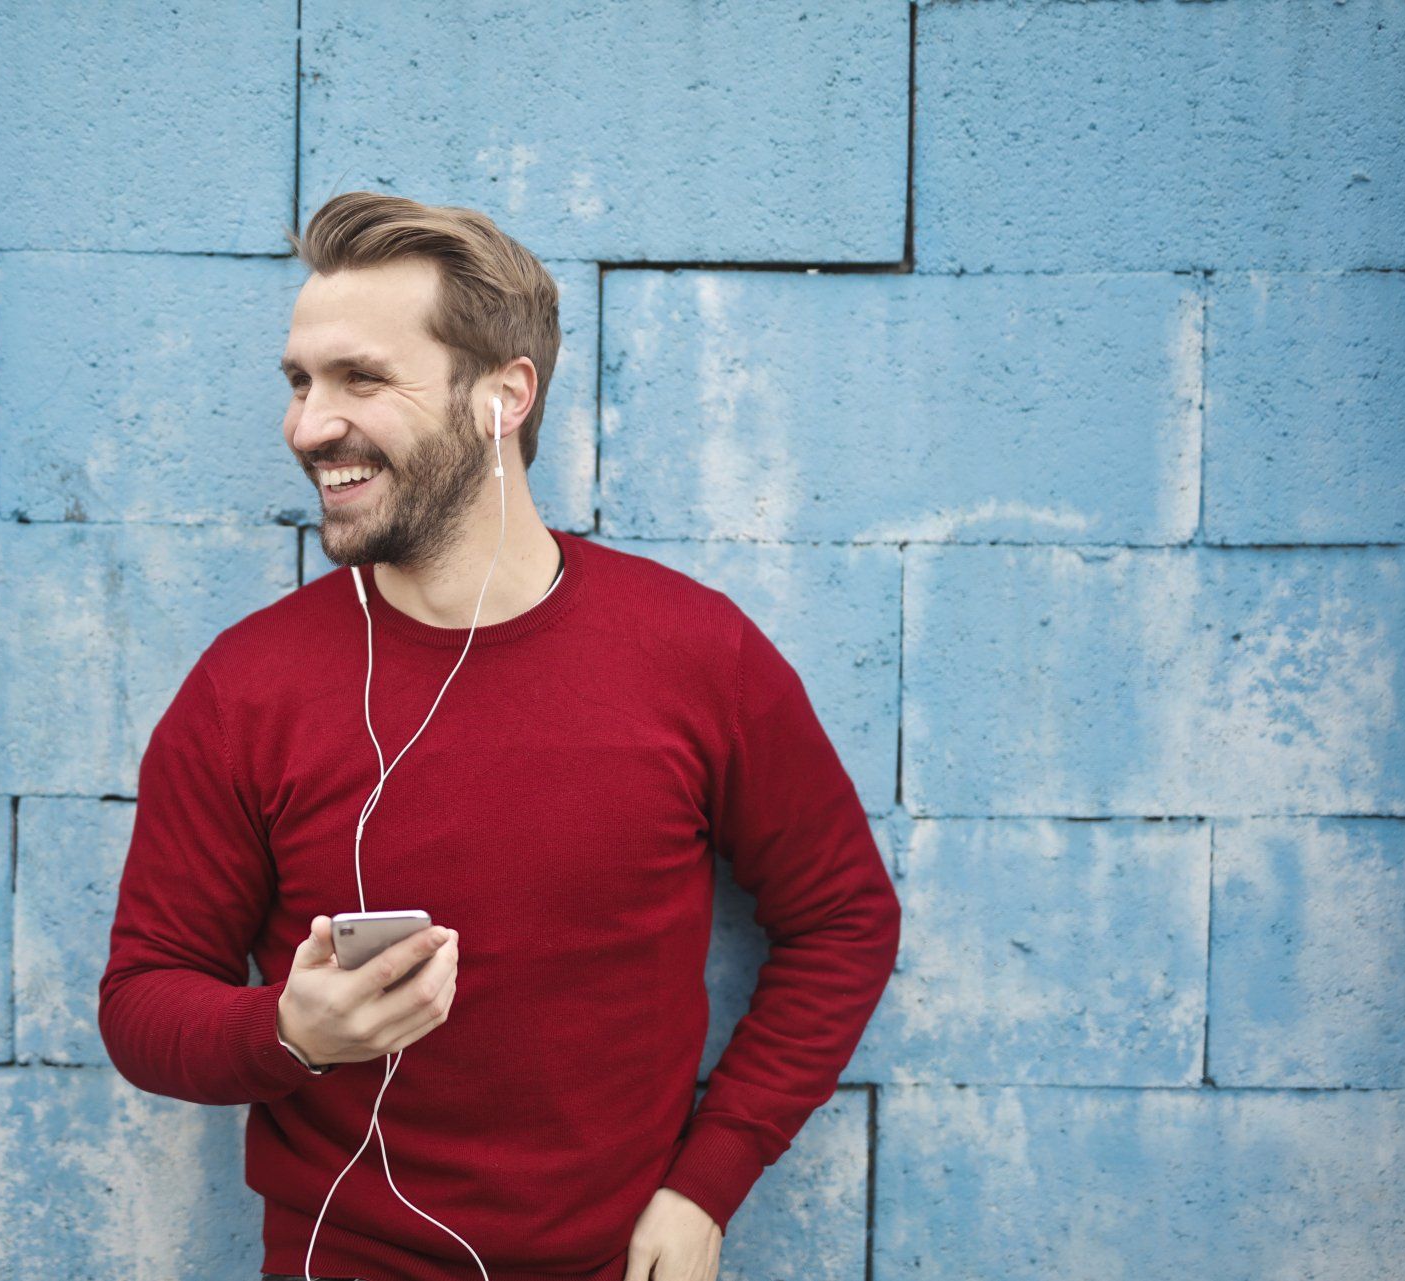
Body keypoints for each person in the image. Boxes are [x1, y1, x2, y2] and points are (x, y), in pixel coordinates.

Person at [97, 191, 902, 1281]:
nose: (307, 425)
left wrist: (708, 1183)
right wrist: (288, 1033)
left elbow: (842, 920)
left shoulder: (692, 653)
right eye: (299, 381)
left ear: (502, 396)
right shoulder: (245, 691)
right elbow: (146, 997)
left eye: (362, 379)